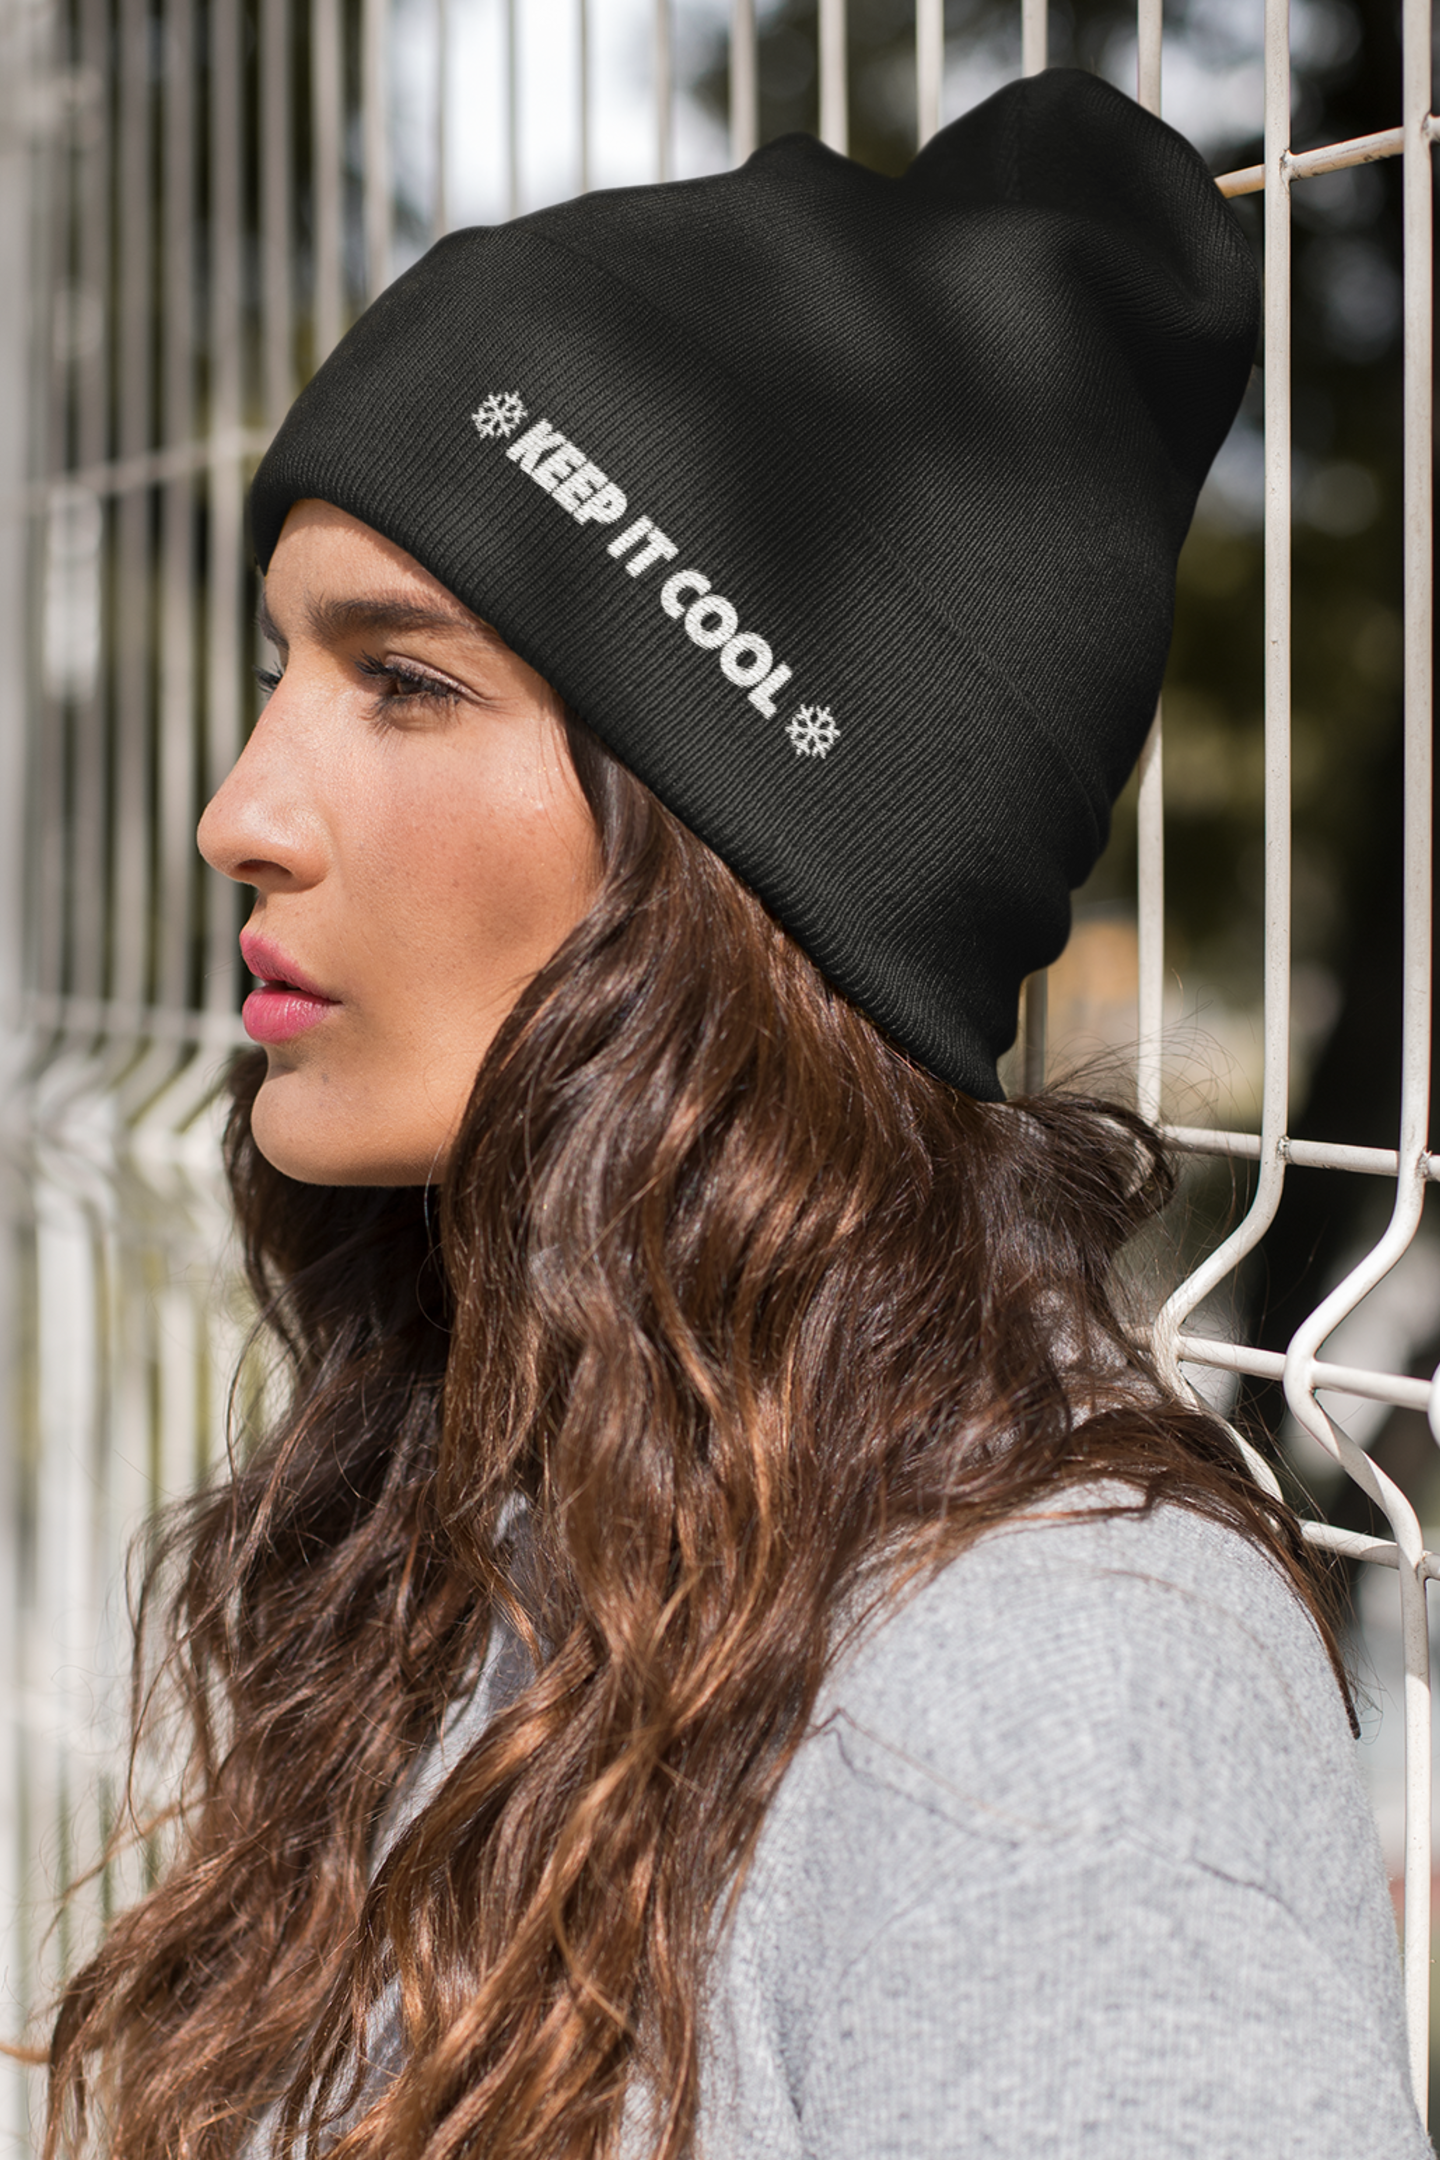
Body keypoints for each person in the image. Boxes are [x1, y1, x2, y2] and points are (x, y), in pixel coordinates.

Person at [42, 66, 1428, 2160]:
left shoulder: (1054, 1698)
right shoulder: (533, 1504)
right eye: (274, 667)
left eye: (403, 681)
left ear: (743, 859)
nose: (240, 809)